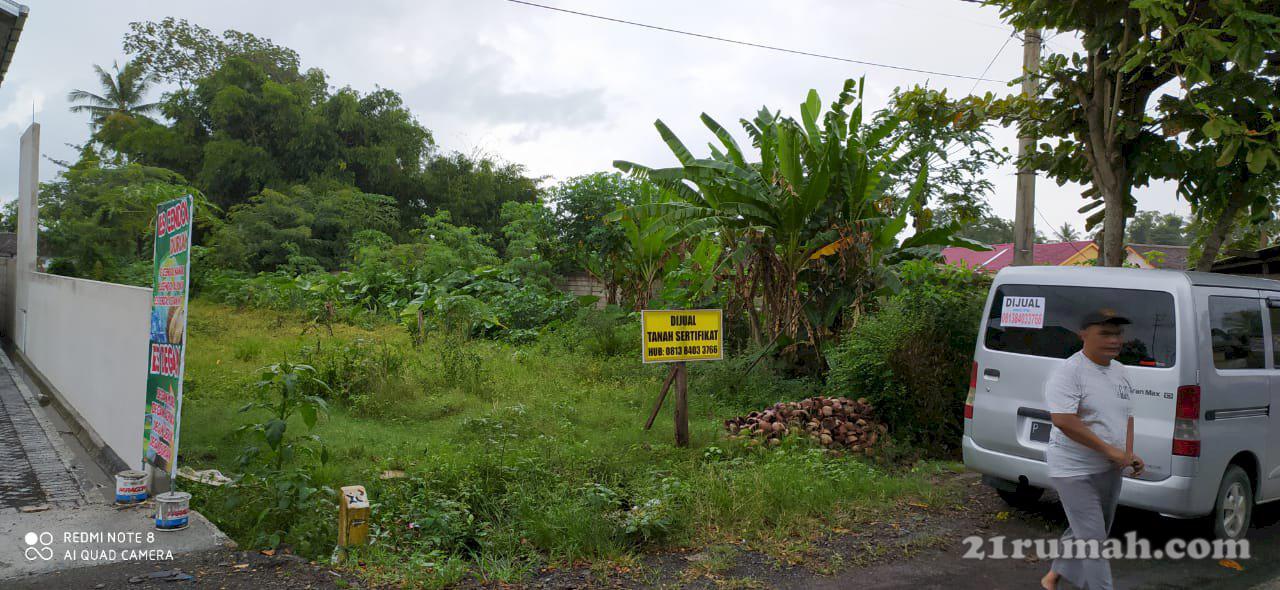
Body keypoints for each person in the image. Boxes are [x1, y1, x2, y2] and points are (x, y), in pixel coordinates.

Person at [1040, 308, 1145, 590]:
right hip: (1072, 468)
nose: (1114, 340)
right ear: (1083, 335)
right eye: (1105, 333)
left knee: (1085, 531)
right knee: (1094, 541)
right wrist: (1110, 451)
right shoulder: (1069, 372)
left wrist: (1127, 453)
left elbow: (1127, 416)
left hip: (1108, 469)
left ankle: (1053, 577)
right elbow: (1063, 420)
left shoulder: (1121, 371)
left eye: (1117, 334)